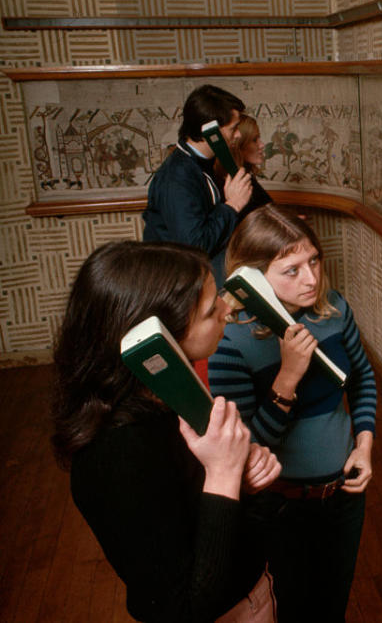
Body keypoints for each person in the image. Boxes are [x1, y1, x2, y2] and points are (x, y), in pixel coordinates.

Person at [51, 241, 282, 622]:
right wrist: (225, 474)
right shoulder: (114, 456)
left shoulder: (170, 392)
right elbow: (184, 608)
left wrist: (244, 485)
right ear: (158, 339)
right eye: (211, 311)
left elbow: (205, 516)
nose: (228, 309)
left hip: (254, 591)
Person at [209, 205, 376, 622]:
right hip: (281, 506)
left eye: (314, 261)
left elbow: (363, 380)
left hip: (343, 493)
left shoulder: (334, 310)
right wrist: (287, 378)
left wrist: (364, 446)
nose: (311, 278)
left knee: (333, 603)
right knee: (296, 608)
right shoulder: (229, 341)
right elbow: (246, 449)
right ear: (251, 278)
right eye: (292, 269)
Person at [143, 84, 253, 285]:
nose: (238, 135)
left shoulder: (202, 163)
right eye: (233, 128)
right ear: (209, 131)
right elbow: (195, 245)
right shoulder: (177, 178)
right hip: (177, 281)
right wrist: (232, 206)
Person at [216, 114, 273, 225]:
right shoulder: (229, 185)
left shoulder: (246, 176)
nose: (261, 145)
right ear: (239, 145)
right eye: (254, 140)